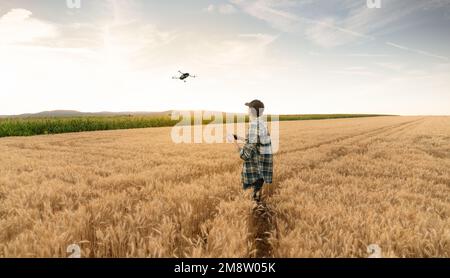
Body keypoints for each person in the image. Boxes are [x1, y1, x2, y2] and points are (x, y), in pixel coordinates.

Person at [232, 100, 273, 202]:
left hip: (253, 173)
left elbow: (245, 155)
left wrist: (234, 142)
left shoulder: (254, 126)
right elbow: (256, 142)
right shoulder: (262, 124)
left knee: (249, 204)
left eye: (248, 108)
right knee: (256, 202)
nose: (247, 111)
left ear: (251, 110)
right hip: (261, 172)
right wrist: (239, 138)